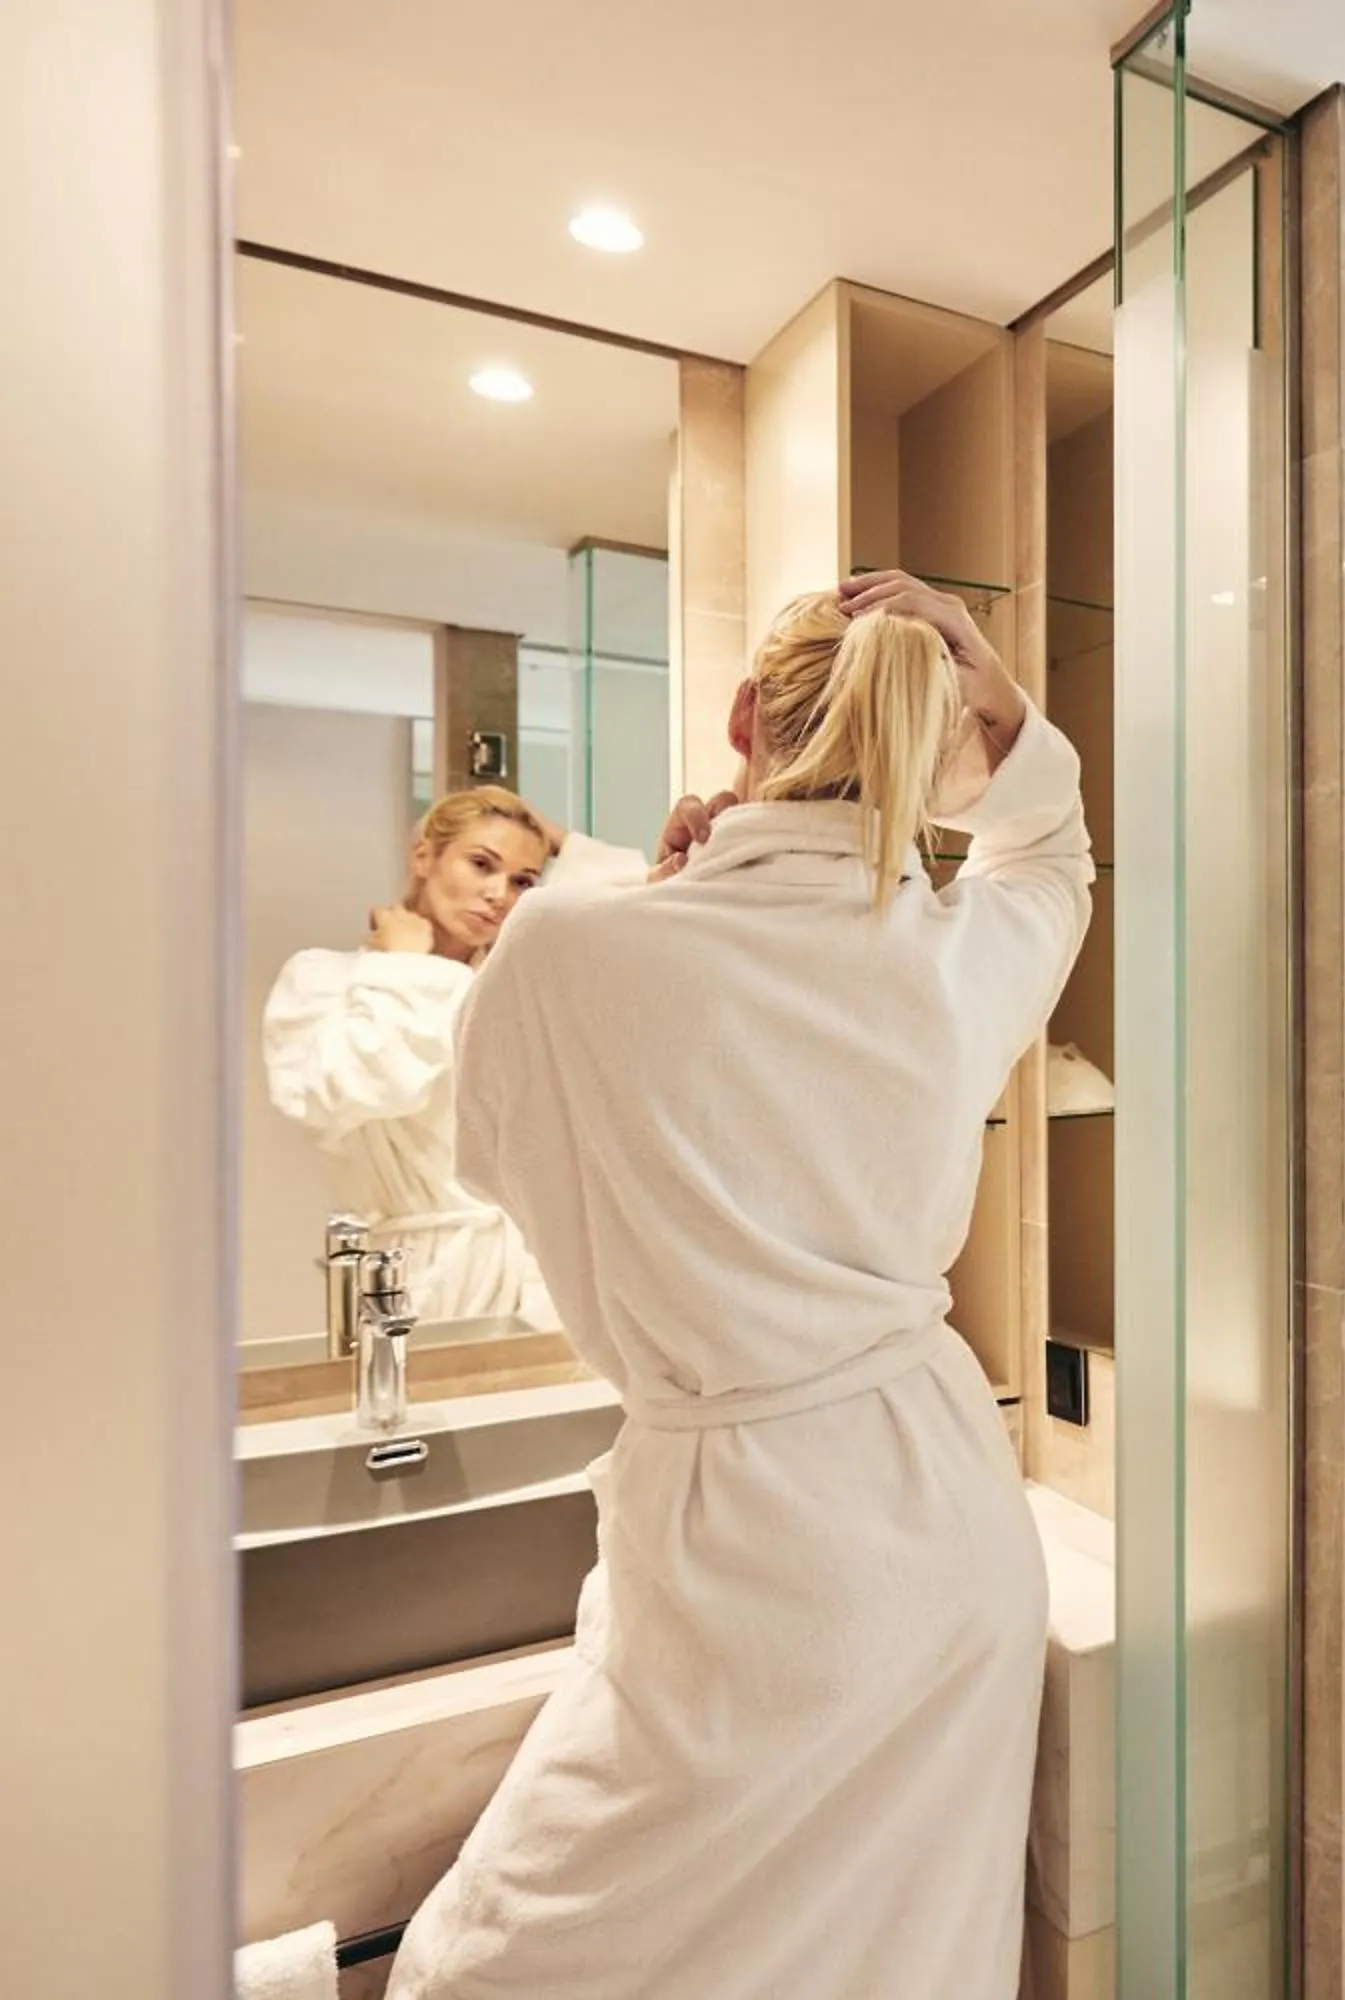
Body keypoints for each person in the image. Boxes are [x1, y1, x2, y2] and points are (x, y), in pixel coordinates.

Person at [385, 572, 1091, 1998]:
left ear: (738, 719)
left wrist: (660, 910)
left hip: (740, 1550)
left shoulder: (563, 943)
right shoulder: (951, 949)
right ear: (931, 742)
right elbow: (1053, 850)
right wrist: (993, 680)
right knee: (901, 1951)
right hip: (942, 1526)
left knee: (503, 1964)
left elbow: (502, 1162)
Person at [262, 786, 647, 1327]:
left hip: (539, 1279)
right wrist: (404, 969)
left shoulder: (510, 986)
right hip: (416, 1279)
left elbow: (633, 907)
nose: (498, 894)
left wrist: (548, 833)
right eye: (481, 864)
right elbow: (362, 1088)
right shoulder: (324, 979)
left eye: (522, 881)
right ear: (424, 856)